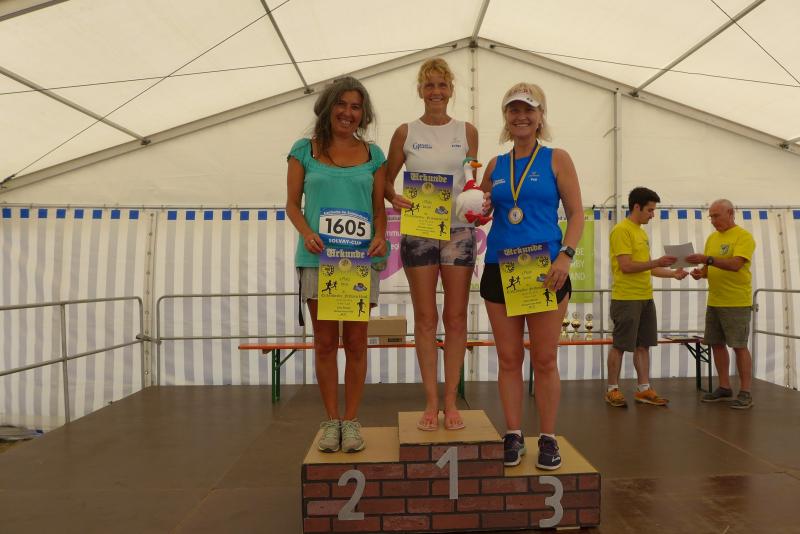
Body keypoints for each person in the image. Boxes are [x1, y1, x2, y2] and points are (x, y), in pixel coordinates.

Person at [479, 83, 584, 470]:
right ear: (505, 117)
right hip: (500, 267)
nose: (521, 116)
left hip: (545, 270)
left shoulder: (557, 158)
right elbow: (480, 211)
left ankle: (549, 438)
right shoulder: (495, 165)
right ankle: (512, 433)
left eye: (529, 109)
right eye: (514, 110)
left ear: (540, 116)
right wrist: (475, 206)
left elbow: (577, 214)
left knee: (544, 358)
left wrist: (566, 257)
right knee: (508, 358)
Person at [285, 77, 387, 453]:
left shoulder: (374, 155)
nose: (348, 112)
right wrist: (306, 232)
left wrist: (381, 236)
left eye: (356, 107)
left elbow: (379, 210)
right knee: (325, 343)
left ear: (364, 113)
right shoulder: (303, 150)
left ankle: (352, 421)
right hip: (318, 260)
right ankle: (331, 422)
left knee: (357, 343)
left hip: (359, 262)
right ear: (328, 107)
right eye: (341, 104)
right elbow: (292, 204)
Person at [384, 58, 479, 432]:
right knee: (425, 318)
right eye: (429, 85)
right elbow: (385, 182)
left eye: (442, 85)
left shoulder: (467, 131)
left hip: (458, 232)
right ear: (420, 90)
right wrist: (393, 197)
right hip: (420, 230)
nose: (436, 92)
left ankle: (451, 401)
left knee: (455, 318)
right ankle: (430, 401)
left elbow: (471, 178)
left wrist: (477, 201)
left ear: (451, 89)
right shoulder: (405, 132)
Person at [606, 187, 687, 408]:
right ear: (637, 207)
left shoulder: (641, 232)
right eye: (650, 210)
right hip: (626, 298)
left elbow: (648, 268)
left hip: (645, 296)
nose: (653, 214)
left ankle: (644, 389)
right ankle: (612, 389)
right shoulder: (621, 230)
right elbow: (626, 266)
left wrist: (673, 274)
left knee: (644, 345)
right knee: (620, 345)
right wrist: (657, 262)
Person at [686, 199, 755, 409]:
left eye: (716, 216)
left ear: (730, 213)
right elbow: (708, 269)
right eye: (711, 217)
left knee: (739, 345)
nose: (713, 220)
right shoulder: (712, 238)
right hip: (715, 300)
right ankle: (724, 386)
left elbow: (735, 265)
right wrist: (700, 273)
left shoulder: (743, 236)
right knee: (716, 343)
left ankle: (745, 392)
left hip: (736, 301)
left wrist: (707, 259)